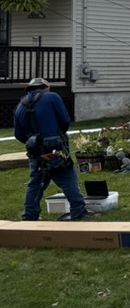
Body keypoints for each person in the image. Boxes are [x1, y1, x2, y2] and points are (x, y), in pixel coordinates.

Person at [13, 78, 89, 221]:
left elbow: (18, 134)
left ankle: (29, 216)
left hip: (35, 151)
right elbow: (65, 120)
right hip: (54, 149)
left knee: (36, 182)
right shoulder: (52, 97)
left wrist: (34, 142)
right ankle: (79, 212)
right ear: (45, 87)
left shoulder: (20, 106)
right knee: (67, 178)